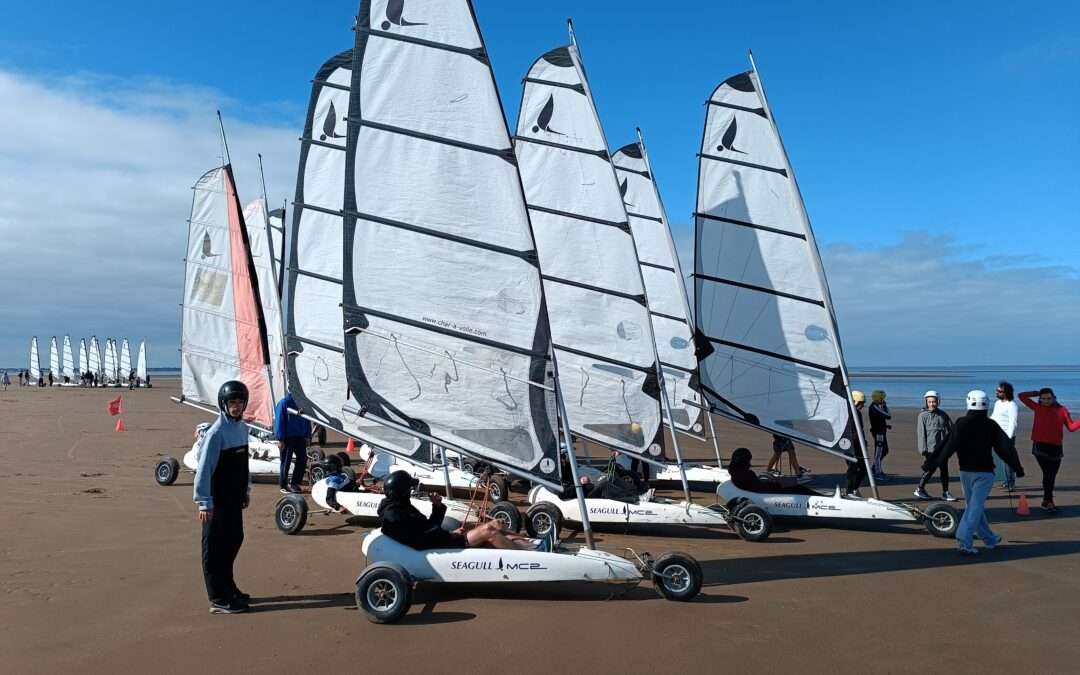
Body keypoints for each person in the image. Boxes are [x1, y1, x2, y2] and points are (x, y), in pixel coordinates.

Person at [924, 390, 1024, 555]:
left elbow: (947, 446)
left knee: (974, 508)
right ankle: (964, 540)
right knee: (975, 508)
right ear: (986, 404)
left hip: (965, 473)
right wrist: (1017, 468)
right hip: (984, 474)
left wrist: (931, 464)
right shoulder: (990, 425)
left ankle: (990, 539)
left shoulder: (961, 423)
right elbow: (1005, 448)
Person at [193, 381, 253, 614]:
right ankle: (217, 597)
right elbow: (204, 469)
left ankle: (228, 586)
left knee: (234, 541)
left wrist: (246, 490)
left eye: (239, 402)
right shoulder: (216, 433)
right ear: (223, 404)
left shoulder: (242, 428)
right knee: (214, 550)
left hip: (233, 500)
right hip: (215, 502)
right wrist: (204, 502)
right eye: (231, 403)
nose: (236, 407)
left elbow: (244, 464)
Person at [377, 470, 536, 550]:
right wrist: (451, 535)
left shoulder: (399, 507)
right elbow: (420, 539)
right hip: (442, 545)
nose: (412, 490)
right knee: (489, 530)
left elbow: (426, 527)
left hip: (442, 539)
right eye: (409, 488)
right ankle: (530, 556)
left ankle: (530, 545)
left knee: (496, 524)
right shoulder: (395, 516)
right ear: (403, 492)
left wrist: (437, 507)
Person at [1018, 387, 1080, 513]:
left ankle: (1046, 501)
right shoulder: (1037, 407)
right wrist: (1035, 393)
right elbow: (1021, 396)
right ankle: (1049, 502)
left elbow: (1071, 427)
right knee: (1049, 474)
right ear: (1040, 399)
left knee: (1051, 475)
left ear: (1054, 398)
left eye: (1049, 398)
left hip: (1056, 448)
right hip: (1040, 446)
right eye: (1043, 398)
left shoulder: (1062, 410)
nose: (1046, 401)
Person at [914, 391, 956, 501]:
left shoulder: (943, 415)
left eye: (934, 402)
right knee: (930, 469)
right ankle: (920, 489)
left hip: (942, 448)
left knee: (944, 470)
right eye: (930, 402)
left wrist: (953, 444)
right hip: (930, 449)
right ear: (926, 402)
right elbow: (921, 434)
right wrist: (923, 449)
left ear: (938, 402)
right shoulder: (922, 416)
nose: (932, 404)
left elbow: (951, 430)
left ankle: (945, 492)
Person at [728, 447, 818, 495]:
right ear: (745, 461)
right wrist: (774, 482)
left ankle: (796, 480)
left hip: (764, 486)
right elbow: (760, 488)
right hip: (768, 490)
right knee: (796, 487)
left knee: (789, 482)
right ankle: (819, 497)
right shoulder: (746, 474)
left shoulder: (735, 472)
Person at [273, 391, 312, 494]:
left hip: (300, 436)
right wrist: (280, 439)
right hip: (287, 437)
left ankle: (295, 483)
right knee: (286, 461)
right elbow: (279, 421)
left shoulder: (303, 402)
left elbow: (307, 418)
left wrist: (308, 435)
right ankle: (283, 485)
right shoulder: (284, 403)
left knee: (303, 459)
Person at [991, 381, 1019, 490]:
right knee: (1003, 460)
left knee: (1008, 461)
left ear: (1006, 392)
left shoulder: (1012, 405)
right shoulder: (998, 403)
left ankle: (1010, 483)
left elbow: (1013, 423)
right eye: (997, 390)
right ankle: (1007, 480)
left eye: (999, 391)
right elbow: (994, 417)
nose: (997, 392)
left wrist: (1008, 438)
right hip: (997, 436)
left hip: (1007, 437)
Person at [846, 390, 870, 496]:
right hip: (850, 446)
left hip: (860, 445)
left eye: (863, 403)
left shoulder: (858, 414)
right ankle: (849, 491)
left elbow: (860, 429)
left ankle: (854, 488)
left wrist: (863, 442)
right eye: (861, 403)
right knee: (853, 469)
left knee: (864, 468)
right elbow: (851, 431)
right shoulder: (849, 413)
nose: (863, 405)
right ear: (855, 402)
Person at [868, 389, 892, 480]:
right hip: (878, 433)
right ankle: (878, 472)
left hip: (881, 431)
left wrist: (886, 426)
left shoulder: (878, 406)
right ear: (879, 398)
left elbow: (879, 419)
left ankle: (874, 468)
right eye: (883, 398)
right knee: (879, 452)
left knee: (885, 450)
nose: (884, 399)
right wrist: (885, 406)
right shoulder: (875, 406)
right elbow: (888, 415)